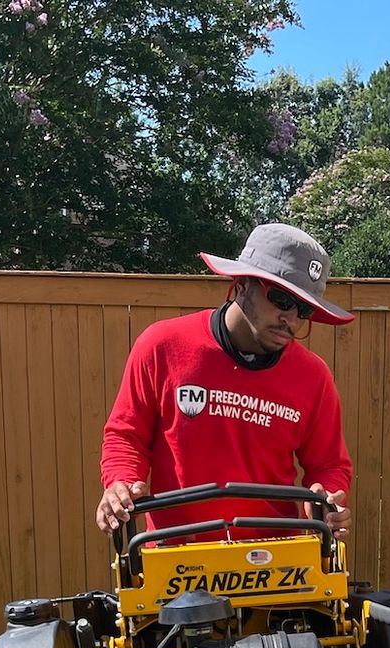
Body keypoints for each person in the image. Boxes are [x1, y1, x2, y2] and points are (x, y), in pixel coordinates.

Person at [98, 223, 354, 543]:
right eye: (281, 299)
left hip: (276, 560)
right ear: (242, 283)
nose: (291, 319)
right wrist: (120, 483)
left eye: (303, 309)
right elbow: (126, 435)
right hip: (176, 557)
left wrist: (327, 500)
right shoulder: (162, 346)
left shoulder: (313, 377)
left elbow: (329, 465)